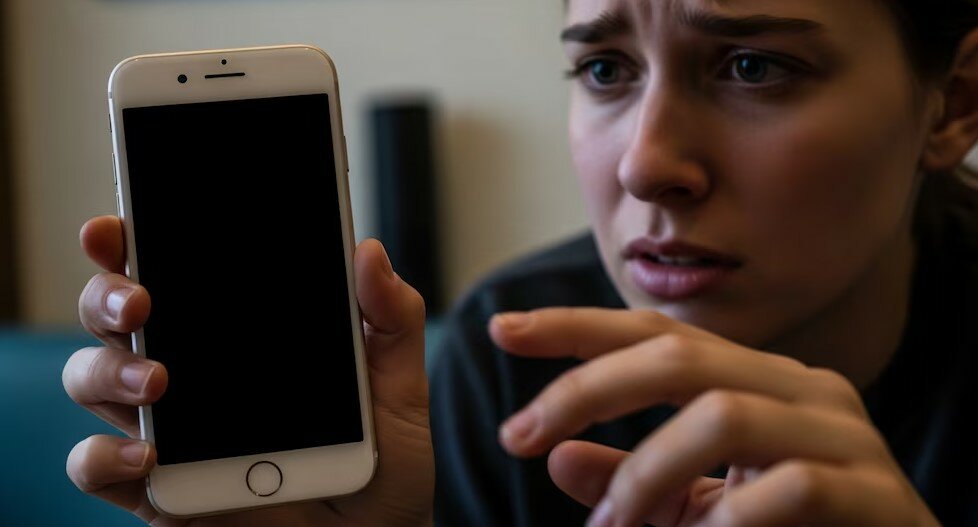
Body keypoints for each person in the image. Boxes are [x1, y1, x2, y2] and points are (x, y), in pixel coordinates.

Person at [63, 1, 978, 525]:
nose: (644, 164)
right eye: (606, 70)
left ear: (954, 107)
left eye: (753, 67)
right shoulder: (510, 357)